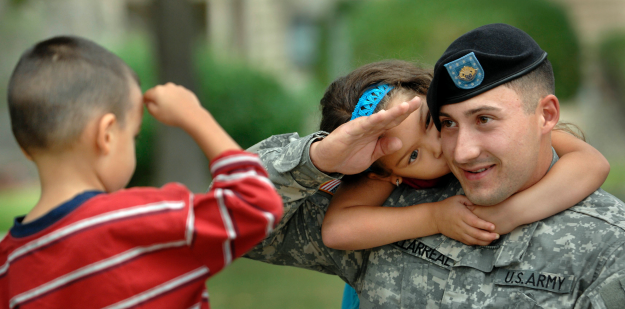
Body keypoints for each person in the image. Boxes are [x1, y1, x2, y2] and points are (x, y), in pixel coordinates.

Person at [245, 23, 625, 308]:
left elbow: (590, 162)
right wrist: (322, 158)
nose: (458, 151)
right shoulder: (388, 200)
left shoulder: (607, 246)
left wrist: (509, 214)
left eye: (485, 120)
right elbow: (232, 221)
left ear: (545, 116)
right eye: (449, 124)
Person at [0, 36, 282, 309]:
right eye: (133, 136)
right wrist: (194, 115)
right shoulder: (140, 220)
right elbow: (256, 202)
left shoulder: (9, 263)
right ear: (107, 135)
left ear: (26, 147)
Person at [313, 60, 609, 309]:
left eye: (430, 122)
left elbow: (592, 163)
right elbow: (339, 229)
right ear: (390, 173)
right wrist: (436, 217)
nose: (439, 145)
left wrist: (511, 214)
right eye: (414, 155)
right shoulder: (381, 164)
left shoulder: (493, 132)